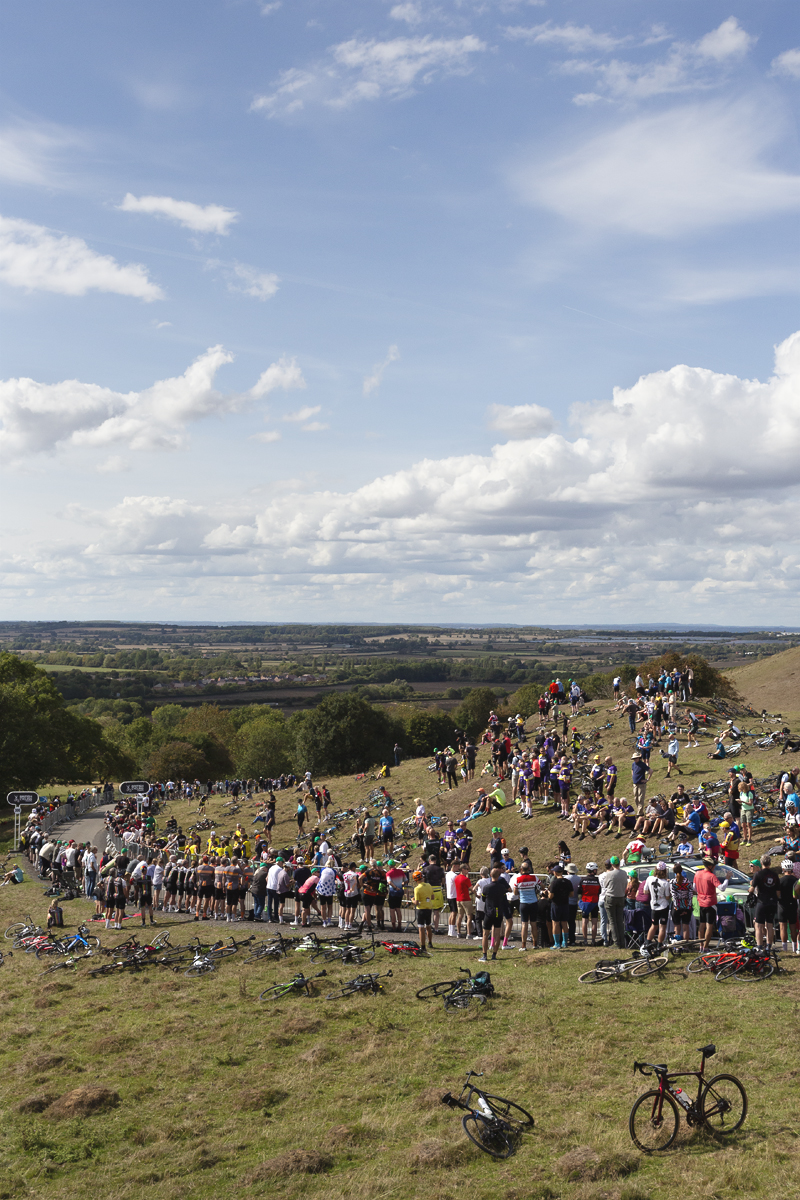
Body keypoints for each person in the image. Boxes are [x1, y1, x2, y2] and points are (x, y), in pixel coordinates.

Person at [478, 867, 509, 962]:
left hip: (488, 912)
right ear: (499, 876)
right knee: (497, 934)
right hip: (498, 912)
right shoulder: (502, 888)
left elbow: (483, 899)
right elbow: (504, 898)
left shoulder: (487, 888)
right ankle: (494, 955)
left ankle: (484, 955)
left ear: (490, 875)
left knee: (485, 934)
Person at [748, 855, 779, 949]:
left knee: (758, 925)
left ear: (761, 863)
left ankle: (759, 946)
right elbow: (778, 892)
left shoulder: (758, 874)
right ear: (770, 863)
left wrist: (750, 890)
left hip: (762, 901)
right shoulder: (775, 875)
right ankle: (769, 946)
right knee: (770, 924)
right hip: (772, 901)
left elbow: (752, 889)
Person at [694, 858, 724, 950]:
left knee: (702, 925)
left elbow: (694, 888)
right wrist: (727, 879)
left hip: (701, 902)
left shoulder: (697, 873)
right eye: (714, 866)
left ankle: (700, 946)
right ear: (710, 866)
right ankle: (706, 947)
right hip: (711, 903)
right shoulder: (711, 876)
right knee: (709, 926)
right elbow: (722, 888)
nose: (715, 867)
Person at [599, 856, 628, 949]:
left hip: (611, 897)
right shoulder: (624, 873)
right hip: (621, 897)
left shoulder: (609, 874)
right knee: (620, 920)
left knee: (612, 920)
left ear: (612, 864)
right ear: (619, 863)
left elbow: (605, 885)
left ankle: (616, 942)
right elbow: (625, 884)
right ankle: (622, 941)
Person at [643, 862, 671, 944]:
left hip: (654, 906)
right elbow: (667, 897)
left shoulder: (649, 878)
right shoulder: (665, 883)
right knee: (662, 927)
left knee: (654, 925)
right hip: (663, 906)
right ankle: (659, 944)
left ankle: (647, 942)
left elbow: (645, 891)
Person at [777, 860, 800, 954]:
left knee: (783, 927)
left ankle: (785, 948)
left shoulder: (780, 880)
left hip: (782, 905)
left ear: (783, 869)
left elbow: (777, 894)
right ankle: (795, 948)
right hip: (793, 905)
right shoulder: (796, 880)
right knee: (793, 927)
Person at [669, 862, 694, 943]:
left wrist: (678, 908)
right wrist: (686, 908)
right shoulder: (688, 882)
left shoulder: (672, 882)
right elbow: (690, 896)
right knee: (686, 927)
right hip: (687, 906)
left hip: (676, 907)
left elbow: (674, 896)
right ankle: (685, 945)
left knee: (676, 927)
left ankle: (677, 946)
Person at [578, 862, 601, 947]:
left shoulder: (583, 880)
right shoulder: (597, 880)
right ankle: (593, 941)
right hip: (595, 902)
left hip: (585, 902)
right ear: (594, 870)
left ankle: (585, 940)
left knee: (584, 921)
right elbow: (600, 891)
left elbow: (579, 891)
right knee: (594, 922)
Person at [413, 870, 436, 951]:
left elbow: (416, 902)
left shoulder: (417, 889)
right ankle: (430, 942)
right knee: (428, 926)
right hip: (429, 908)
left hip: (421, 909)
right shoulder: (429, 885)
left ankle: (423, 946)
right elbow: (432, 897)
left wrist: (412, 900)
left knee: (421, 928)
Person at [631, 752, 652, 817]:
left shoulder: (642, 764)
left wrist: (647, 779)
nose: (635, 759)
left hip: (641, 784)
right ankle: (640, 811)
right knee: (636, 798)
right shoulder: (633, 764)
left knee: (640, 798)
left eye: (636, 758)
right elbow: (632, 770)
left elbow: (650, 771)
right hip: (635, 783)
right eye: (634, 758)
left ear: (639, 758)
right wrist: (633, 776)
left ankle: (639, 813)